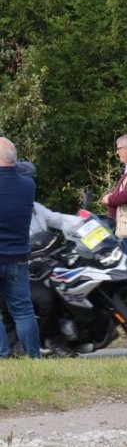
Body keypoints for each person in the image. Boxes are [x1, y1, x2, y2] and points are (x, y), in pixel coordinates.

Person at [1, 161, 84, 357]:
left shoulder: (32, 206)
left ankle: (9, 354)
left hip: (32, 265)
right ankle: (42, 345)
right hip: (22, 263)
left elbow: (59, 219)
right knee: (34, 305)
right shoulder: (24, 196)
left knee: (38, 302)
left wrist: (84, 222)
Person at [0, 138, 41, 359]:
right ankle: (34, 357)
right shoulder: (28, 186)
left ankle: (2, 356)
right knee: (23, 310)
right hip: (17, 256)